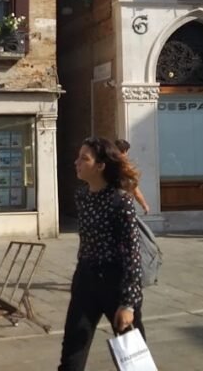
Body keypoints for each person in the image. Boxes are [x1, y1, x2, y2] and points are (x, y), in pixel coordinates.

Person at [59, 137, 144, 371]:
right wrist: (79, 278)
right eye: (78, 157)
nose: (77, 162)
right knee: (72, 353)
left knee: (134, 360)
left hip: (116, 283)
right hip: (86, 279)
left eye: (84, 158)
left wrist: (128, 303)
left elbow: (132, 253)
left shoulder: (121, 200)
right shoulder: (82, 196)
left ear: (100, 166)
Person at [114, 139, 150, 214]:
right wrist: (144, 205)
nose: (126, 155)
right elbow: (135, 191)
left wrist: (144, 205)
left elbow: (135, 190)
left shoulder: (105, 167)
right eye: (126, 152)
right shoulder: (125, 169)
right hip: (122, 208)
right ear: (124, 152)